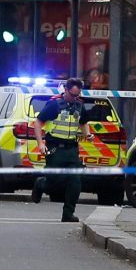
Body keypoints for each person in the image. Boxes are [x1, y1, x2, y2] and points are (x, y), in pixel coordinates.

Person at [31, 78, 92, 222]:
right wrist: (40, 143)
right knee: (53, 182)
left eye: (77, 95)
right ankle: (40, 184)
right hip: (55, 149)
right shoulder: (54, 105)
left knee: (75, 181)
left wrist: (87, 134)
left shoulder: (79, 106)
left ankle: (68, 213)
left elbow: (83, 123)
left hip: (71, 149)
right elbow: (38, 123)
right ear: (66, 90)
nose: (75, 98)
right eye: (72, 95)